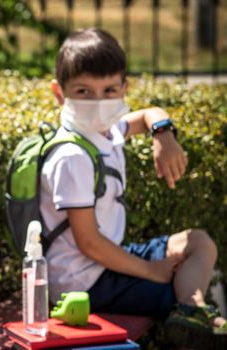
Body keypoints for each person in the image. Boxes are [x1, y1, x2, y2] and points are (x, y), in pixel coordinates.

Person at [41, 28, 225, 348]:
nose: (99, 102)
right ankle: (192, 317)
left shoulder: (105, 132)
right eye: (84, 91)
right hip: (82, 282)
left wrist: (163, 134)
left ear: (125, 89)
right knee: (176, 285)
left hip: (106, 261)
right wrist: (151, 271)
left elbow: (147, 115)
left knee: (199, 243)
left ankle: (191, 312)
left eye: (110, 90)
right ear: (60, 93)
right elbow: (89, 243)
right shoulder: (72, 156)